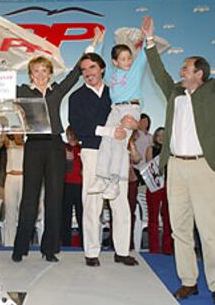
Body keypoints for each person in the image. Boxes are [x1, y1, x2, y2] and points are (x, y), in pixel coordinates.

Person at [142, 16, 215, 302]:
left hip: (203, 166)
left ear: (200, 74)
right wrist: (149, 41)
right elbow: (159, 71)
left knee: (209, 230)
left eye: (186, 68)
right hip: (175, 166)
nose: (181, 71)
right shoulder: (174, 92)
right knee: (180, 229)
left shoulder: (211, 91)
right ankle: (188, 280)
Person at [69, 52, 139, 267]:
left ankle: (122, 251)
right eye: (84, 70)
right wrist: (109, 131)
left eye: (92, 68)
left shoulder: (116, 92)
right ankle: (91, 252)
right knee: (92, 203)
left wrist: (133, 122)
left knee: (120, 203)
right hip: (92, 153)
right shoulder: (76, 97)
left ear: (102, 69)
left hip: (118, 152)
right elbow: (79, 129)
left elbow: (130, 113)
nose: (88, 73)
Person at [12, 55, 82, 263]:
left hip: (54, 145)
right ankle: (20, 248)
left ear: (50, 73)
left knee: (54, 198)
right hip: (33, 145)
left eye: (44, 71)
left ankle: (50, 249)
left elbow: (75, 74)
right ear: (31, 74)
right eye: (36, 71)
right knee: (29, 198)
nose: (40, 75)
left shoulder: (57, 91)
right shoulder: (23, 91)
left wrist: (92, 47)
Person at [87, 27, 147, 201]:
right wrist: (98, 41)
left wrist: (146, 37)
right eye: (123, 59)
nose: (127, 61)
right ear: (115, 62)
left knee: (119, 144)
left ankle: (114, 182)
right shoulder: (112, 75)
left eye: (129, 58)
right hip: (115, 109)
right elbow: (95, 61)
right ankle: (101, 177)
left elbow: (143, 56)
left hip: (130, 109)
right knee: (107, 141)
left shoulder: (135, 71)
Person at [145, 127, 172, 255]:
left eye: (163, 135)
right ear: (155, 136)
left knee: (168, 218)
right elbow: (149, 165)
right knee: (153, 218)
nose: (161, 137)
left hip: (168, 186)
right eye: (159, 135)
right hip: (154, 186)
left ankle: (167, 248)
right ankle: (154, 249)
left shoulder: (171, 151)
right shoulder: (150, 149)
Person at [61, 126, 83, 247]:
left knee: (81, 215)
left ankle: (84, 243)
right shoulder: (63, 148)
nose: (71, 135)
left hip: (80, 185)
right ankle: (65, 244)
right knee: (66, 216)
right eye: (70, 133)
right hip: (67, 184)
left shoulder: (82, 148)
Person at [3, 133, 25, 247]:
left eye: (19, 133)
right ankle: (9, 243)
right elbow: (1, 134)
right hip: (10, 178)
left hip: (23, 178)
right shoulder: (9, 144)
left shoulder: (27, 145)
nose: (17, 135)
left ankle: (21, 242)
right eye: (15, 132)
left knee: (22, 210)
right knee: (10, 210)